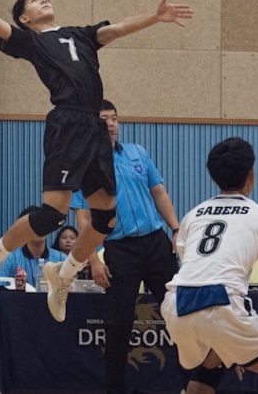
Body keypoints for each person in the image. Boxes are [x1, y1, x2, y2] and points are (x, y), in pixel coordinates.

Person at [0, 0, 192, 321]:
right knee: (54, 213)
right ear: (26, 18)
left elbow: (118, 28)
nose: (44, 1)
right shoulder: (32, 41)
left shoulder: (78, 36)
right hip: (66, 123)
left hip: (94, 127)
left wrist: (155, 18)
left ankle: (63, 275)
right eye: (34, 2)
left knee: (105, 220)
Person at [162, 138, 258, 394]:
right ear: (251, 176)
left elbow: (194, 268)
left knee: (208, 371)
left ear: (214, 178)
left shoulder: (193, 215)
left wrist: (233, 346)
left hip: (176, 302)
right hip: (221, 302)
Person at [69, 99, 182, 394]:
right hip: (119, 250)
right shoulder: (84, 165)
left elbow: (159, 193)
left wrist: (176, 229)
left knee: (178, 313)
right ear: (93, 125)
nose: (111, 124)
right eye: (104, 118)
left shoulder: (137, 153)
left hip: (156, 244)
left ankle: (192, 383)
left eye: (114, 118)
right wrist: (93, 260)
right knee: (118, 324)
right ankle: (115, 389)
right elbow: (84, 222)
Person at [0, 206, 69, 290]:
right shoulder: (10, 258)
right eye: (34, 225)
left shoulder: (62, 259)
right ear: (23, 230)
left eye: (44, 224)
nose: (40, 229)